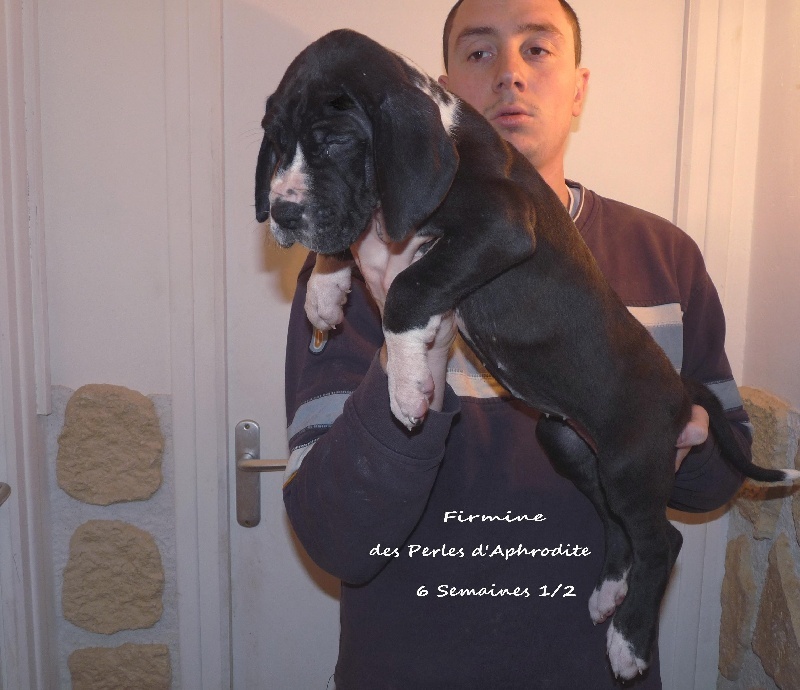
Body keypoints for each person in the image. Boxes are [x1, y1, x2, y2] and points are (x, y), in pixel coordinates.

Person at [282, 0, 750, 687]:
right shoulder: (352, 263)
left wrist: (683, 440)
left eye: (538, 49)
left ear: (579, 89)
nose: (510, 74)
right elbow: (334, 537)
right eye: (480, 52)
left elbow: (719, 480)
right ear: (440, 93)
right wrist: (409, 347)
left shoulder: (665, 255)